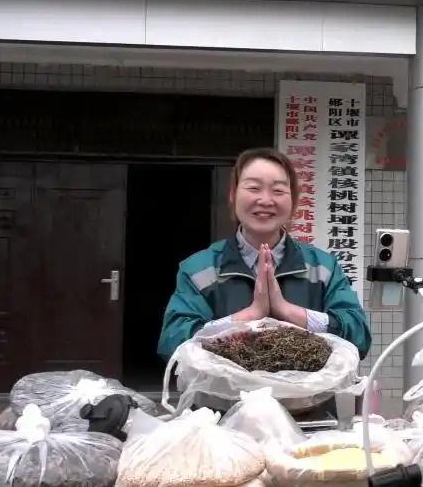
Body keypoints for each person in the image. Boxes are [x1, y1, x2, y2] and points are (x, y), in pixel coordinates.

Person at [157, 148, 371, 361]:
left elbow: (359, 336)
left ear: (293, 200)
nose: (266, 200)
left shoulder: (323, 267)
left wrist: (287, 310)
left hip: (306, 386)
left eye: (278, 190)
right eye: (253, 188)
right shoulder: (198, 269)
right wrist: (249, 315)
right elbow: (172, 342)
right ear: (233, 195)